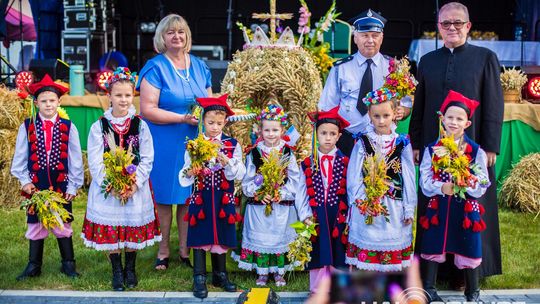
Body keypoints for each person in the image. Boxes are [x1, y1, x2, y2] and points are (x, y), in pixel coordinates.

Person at [409, 2, 503, 279]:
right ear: (438, 27)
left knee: (471, 210)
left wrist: (491, 147)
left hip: (472, 150)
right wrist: (416, 143)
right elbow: (420, 105)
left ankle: (471, 275)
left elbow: (494, 105)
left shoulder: (485, 58)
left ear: (468, 26)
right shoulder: (427, 60)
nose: (452, 28)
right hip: (433, 149)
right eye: (446, 23)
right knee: (434, 207)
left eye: (457, 23)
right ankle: (432, 274)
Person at [136, 13, 212, 270]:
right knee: (166, 197)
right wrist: (182, 118)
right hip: (165, 140)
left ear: (187, 36)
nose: (176, 36)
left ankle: (185, 250)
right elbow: (147, 109)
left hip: (195, 140)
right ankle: (163, 249)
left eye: (181, 32)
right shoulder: (155, 67)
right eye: (170, 33)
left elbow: (210, 105)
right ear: (162, 38)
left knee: (189, 195)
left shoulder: (200, 66)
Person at [81, 67, 162, 291]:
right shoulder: (100, 127)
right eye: (118, 95)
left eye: (127, 95)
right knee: (113, 228)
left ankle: (131, 268)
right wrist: (111, 185)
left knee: (130, 225)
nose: (123, 99)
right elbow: (95, 161)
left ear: (132, 96)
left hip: (135, 187)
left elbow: (147, 158)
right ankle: (117, 269)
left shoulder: (140, 125)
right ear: (109, 97)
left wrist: (135, 184)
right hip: (109, 189)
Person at [418, 90, 490, 302]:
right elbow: (424, 180)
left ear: (467, 124)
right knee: (433, 241)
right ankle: (429, 289)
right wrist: (441, 187)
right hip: (438, 207)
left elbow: (484, 181)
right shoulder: (431, 150)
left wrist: (468, 183)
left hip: (465, 208)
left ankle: (472, 291)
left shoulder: (476, 151)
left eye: (459, 119)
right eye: (450, 117)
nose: (454, 122)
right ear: (442, 119)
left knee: (467, 244)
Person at [11, 74, 84, 280]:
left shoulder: (69, 127)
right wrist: (25, 181)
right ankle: (34, 265)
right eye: (44, 101)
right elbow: (20, 156)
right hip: (36, 184)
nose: (48, 104)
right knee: (35, 224)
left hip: (61, 184)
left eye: (52, 100)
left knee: (63, 223)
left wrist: (72, 186)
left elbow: (75, 158)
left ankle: (68, 264)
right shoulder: (27, 126)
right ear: (36, 103)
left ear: (59, 102)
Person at [233, 104, 310, 287]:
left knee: (278, 236)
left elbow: (295, 181)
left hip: (281, 205)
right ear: (260, 130)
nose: (271, 134)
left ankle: (278, 271)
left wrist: (280, 194)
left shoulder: (287, 153)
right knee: (262, 237)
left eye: (275, 130)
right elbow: (247, 181)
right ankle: (262, 272)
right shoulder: (254, 153)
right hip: (259, 206)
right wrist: (259, 193)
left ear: (282, 130)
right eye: (267, 130)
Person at [318, 9, 412, 157]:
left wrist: (403, 111)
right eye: (364, 35)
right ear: (355, 38)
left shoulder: (395, 68)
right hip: (348, 140)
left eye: (375, 35)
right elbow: (326, 107)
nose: (370, 40)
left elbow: (406, 104)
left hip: (383, 141)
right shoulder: (340, 68)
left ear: (382, 38)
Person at [179, 94, 245, 299]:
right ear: (202, 121)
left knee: (222, 232)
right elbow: (184, 173)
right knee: (200, 233)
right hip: (202, 197)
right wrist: (191, 172)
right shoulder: (195, 145)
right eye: (210, 122)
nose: (215, 127)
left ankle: (220, 274)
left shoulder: (232, 145)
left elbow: (239, 174)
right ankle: (199, 275)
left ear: (225, 121)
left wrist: (227, 162)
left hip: (223, 198)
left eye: (219, 123)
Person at [345, 88, 416, 272]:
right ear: (369, 115)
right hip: (367, 206)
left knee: (392, 250)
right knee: (368, 249)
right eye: (376, 116)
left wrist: (409, 208)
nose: (381, 121)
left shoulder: (402, 143)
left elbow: (408, 177)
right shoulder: (363, 142)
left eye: (386, 115)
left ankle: (390, 289)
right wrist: (360, 200)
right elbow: (354, 175)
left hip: (393, 208)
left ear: (394, 114)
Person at [295, 106, 350, 292]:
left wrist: (349, 217)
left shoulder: (346, 162)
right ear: (316, 134)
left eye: (332, 133)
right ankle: (318, 290)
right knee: (318, 249)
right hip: (316, 215)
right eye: (323, 133)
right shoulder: (307, 163)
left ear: (338, 136)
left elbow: (350, 190)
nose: (327, 137)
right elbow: (301, 192)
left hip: (338, 215)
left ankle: (339, 289)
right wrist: (305, 215)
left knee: (338, 250)